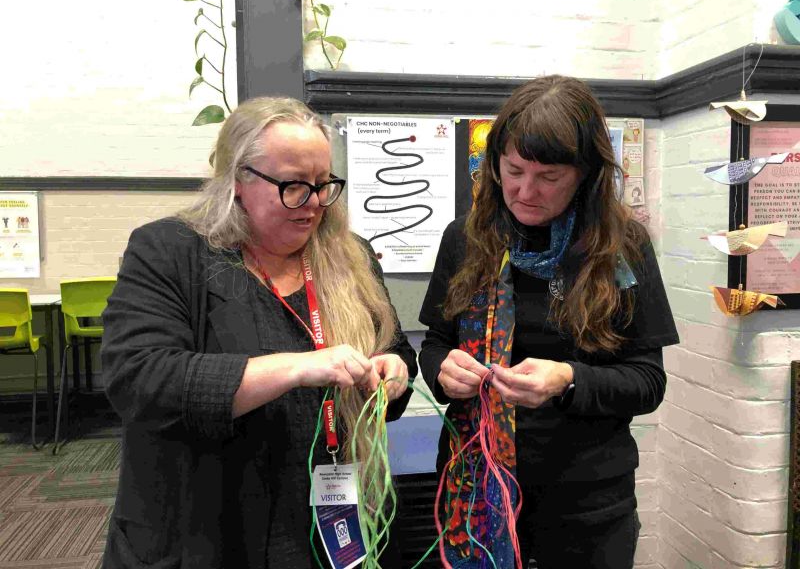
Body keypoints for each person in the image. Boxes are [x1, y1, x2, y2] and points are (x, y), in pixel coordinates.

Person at [101, 97, 417, 568]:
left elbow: (394, 350)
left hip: (320, 519)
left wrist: (394, 372)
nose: (313, 203)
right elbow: (140, 379)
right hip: (206, 528)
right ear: (238, 180)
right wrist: (294, 367)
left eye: (323, 183)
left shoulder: (350, 256)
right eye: (292, 186)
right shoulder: (169, 252)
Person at [418, 75, 678, 569]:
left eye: (549, 177)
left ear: (585, 174)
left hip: (586, 504)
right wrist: (442, 371)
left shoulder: (622, 247)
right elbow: (435, 343)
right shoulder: (466, 239)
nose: (525, 190)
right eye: (512, 170)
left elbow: (648, 382)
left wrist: (568, 380)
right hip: (475, 485)